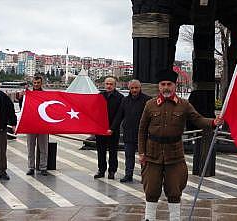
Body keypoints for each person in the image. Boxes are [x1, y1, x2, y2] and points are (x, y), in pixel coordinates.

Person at [138, 69, 223, 221]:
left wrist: (212, 122)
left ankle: (175, 218)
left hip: (174, 155)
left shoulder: (184, 105)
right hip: (152, 155)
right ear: (159, 86)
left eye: (169, 84)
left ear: (174, 85)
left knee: (174, 190)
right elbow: (142, 130)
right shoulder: (150, 105)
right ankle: (149, 218)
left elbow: (198, 120)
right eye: (163, 84)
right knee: (151, 189)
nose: (166, 87)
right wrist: (142, 152)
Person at [110, 79, 151, 183]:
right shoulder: (125, 100)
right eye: (132, 88)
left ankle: (145, 176)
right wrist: (112, 128)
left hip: (143, 134)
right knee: (129, 156)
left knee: (144, 156)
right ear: (129, 88)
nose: (134, 90)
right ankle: (128, 175)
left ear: (140, 88)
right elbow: (119, 116)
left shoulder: (147, 100)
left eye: (136, 88)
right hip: (128, 133)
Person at [94, 77, 124, 180]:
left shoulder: (120, 97)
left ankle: (112, 171)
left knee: (113, 151)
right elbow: (94, 111)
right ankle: (101, 170)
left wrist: (112, 128)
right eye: (107, 84)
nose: (109, 86)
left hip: (113, 130)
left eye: (111, 84)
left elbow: (119, 115)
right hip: (101, 129)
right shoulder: (100, 96)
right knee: (100, 150)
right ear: (104, 84)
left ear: (115, 85)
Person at [26, 76, 48, 176]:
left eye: (38, 83)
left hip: (43, 125)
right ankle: (31, 167)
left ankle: (43, 167)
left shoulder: (46, 95)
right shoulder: (28, 94)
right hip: (31, 124)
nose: (36, 84)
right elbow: (23, 108)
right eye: (34, 83)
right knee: (30, 147)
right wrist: (22, 97)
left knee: (43, 148)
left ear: (41, 83)